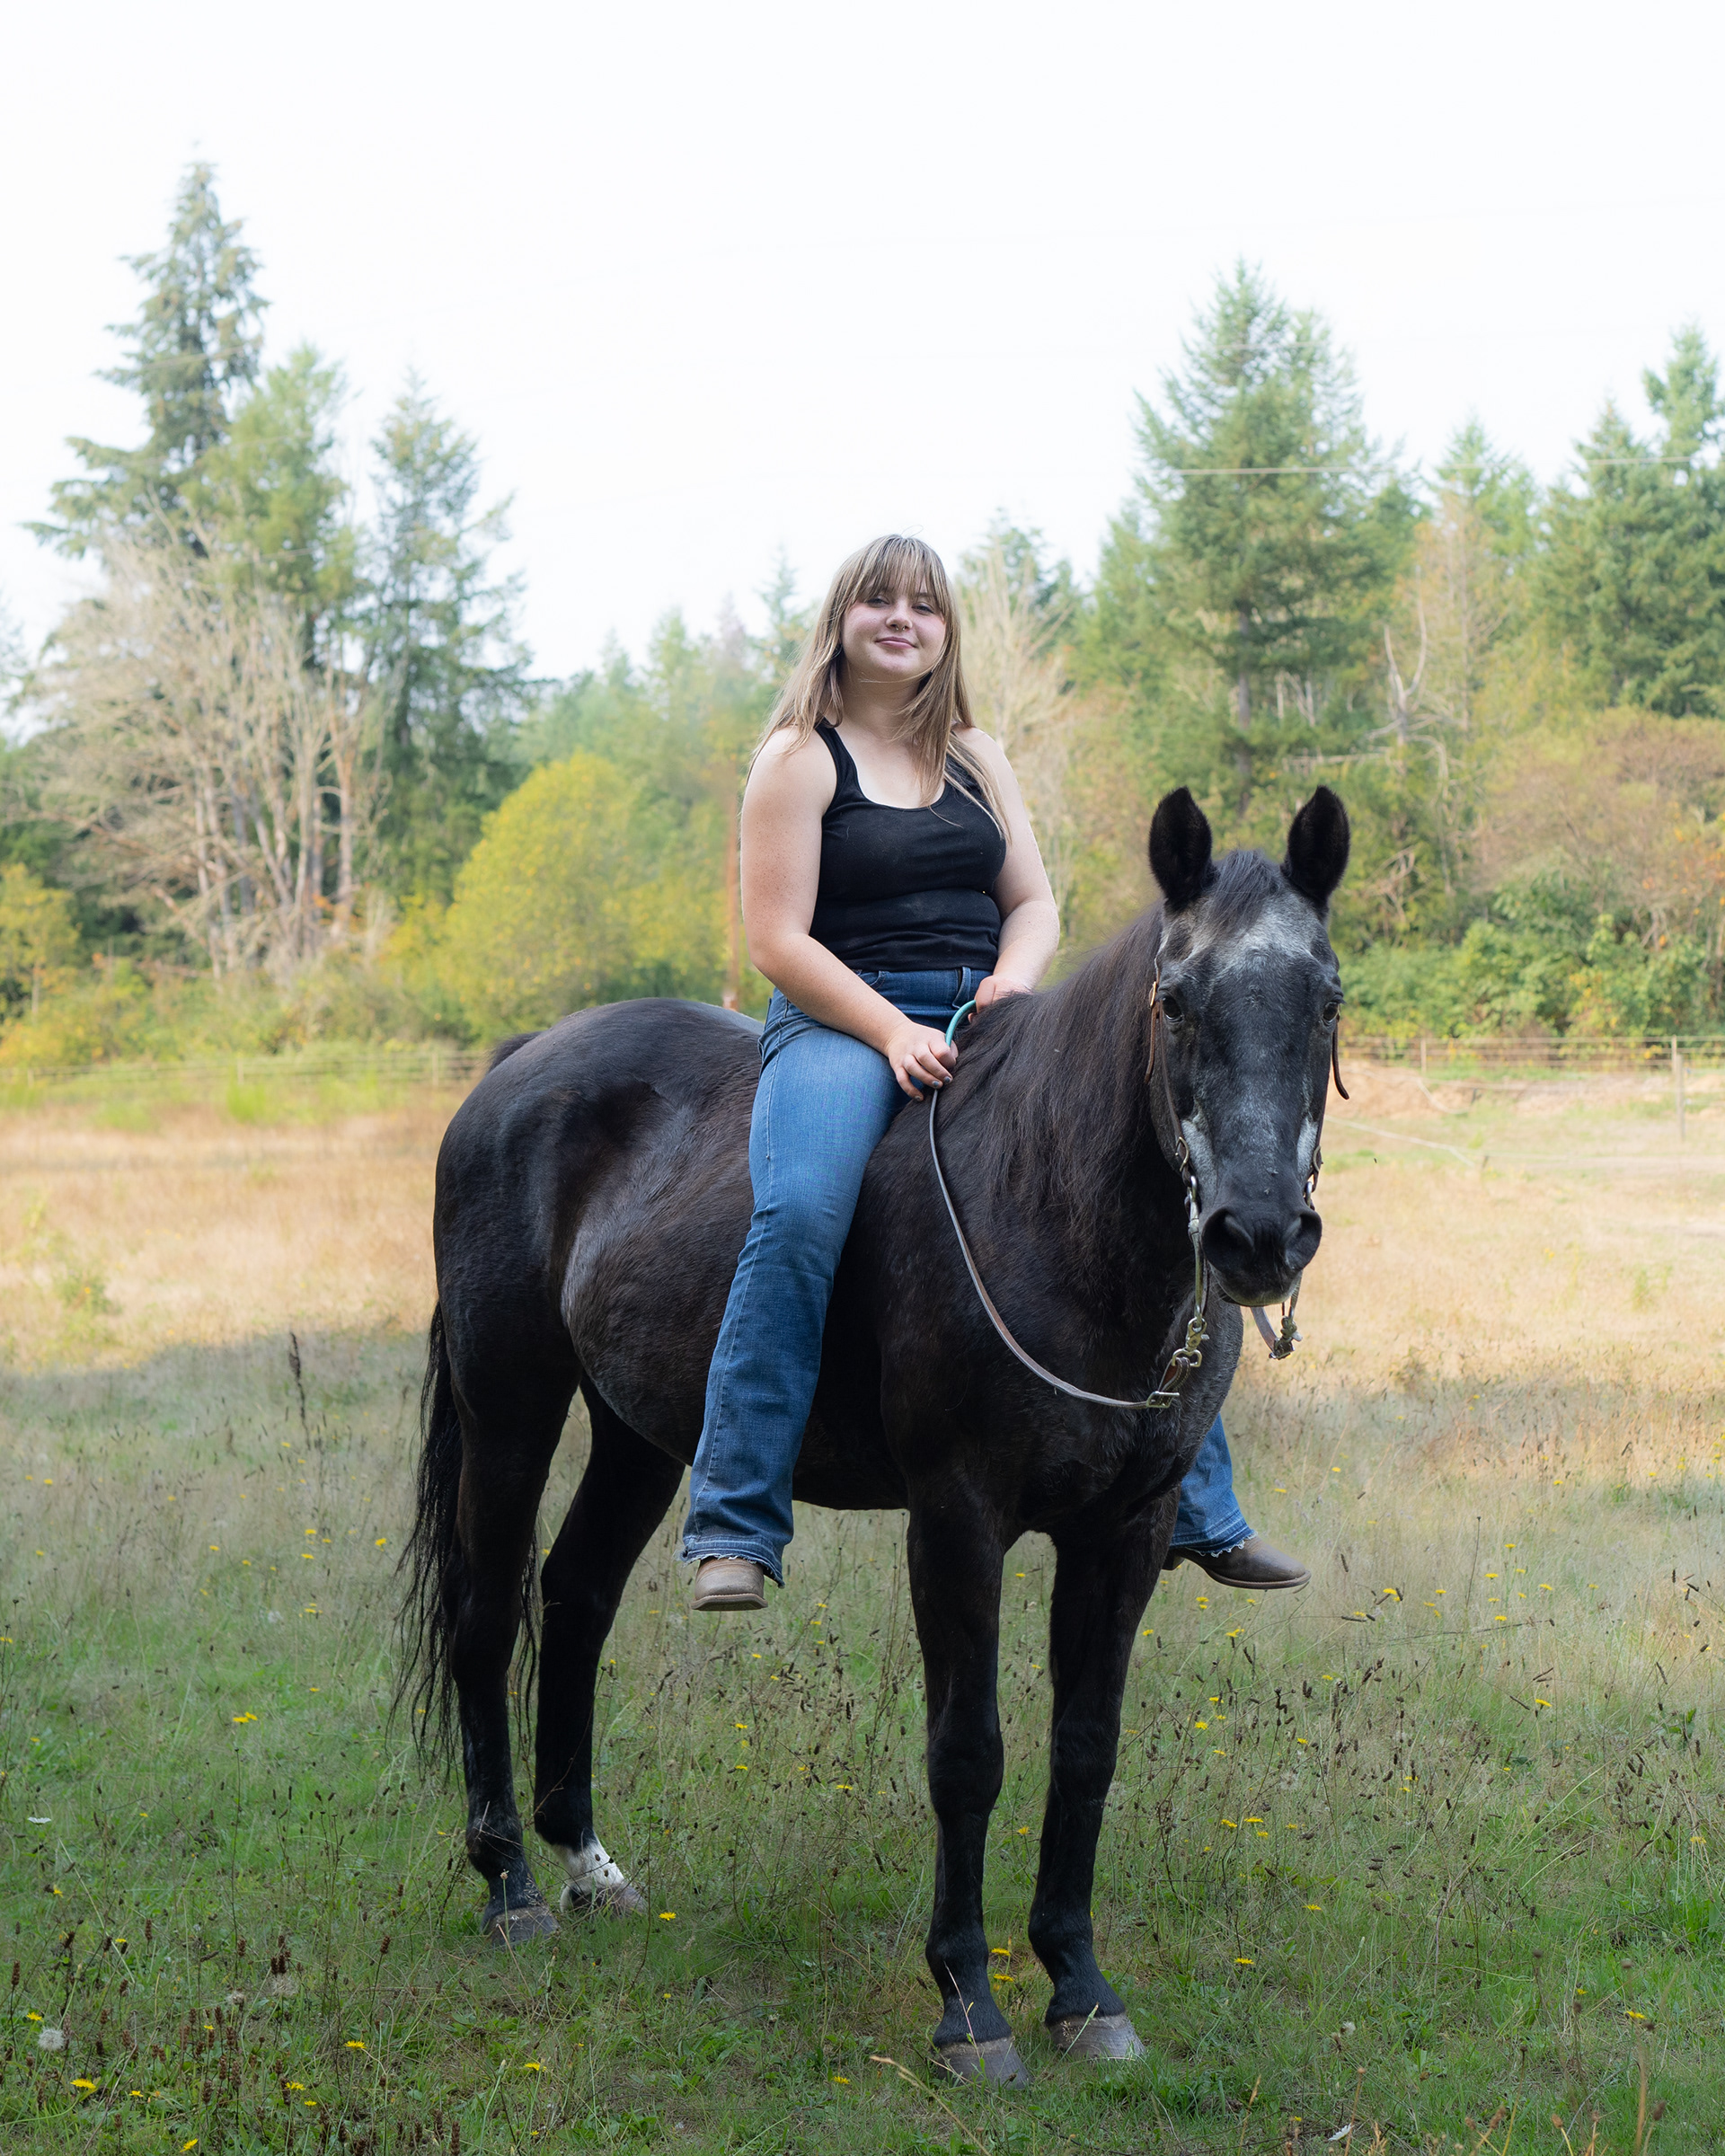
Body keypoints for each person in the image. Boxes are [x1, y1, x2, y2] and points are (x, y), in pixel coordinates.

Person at [680, 534, 1306, 1610]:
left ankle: (1199, 1508)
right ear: (839, 619)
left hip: (989, 1011)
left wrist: (1012, 986)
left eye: (924, 605)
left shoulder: (975, 752)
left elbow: (1034, 902)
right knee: (800, 1215)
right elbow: (776, 940)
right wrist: (890, 1031)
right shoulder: (798, 759)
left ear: (946, 632)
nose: (901, 619)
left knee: (1140, 1192)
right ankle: (734, 1520)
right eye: (879, 600)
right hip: (843, 1022)